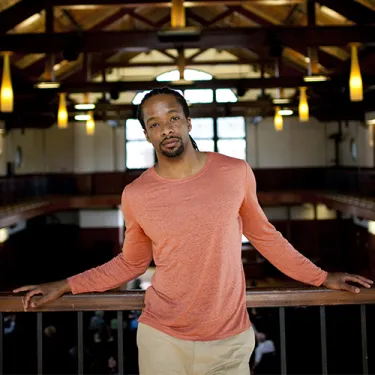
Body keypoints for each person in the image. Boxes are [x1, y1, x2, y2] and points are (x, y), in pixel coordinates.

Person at [14, 87, 373, 375]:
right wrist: (64, 285)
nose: (165, 128)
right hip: (162, 336)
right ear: (146, 134)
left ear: (188, 121)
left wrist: (322, 277)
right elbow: (130, 263)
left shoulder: (235, 172)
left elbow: (265, 237)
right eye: (154, 123)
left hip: (230, 337)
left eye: (172, 118)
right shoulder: (136, 194)